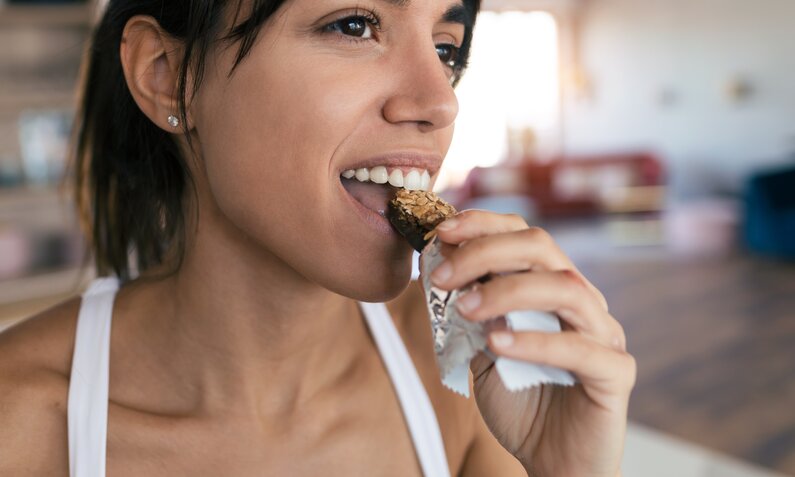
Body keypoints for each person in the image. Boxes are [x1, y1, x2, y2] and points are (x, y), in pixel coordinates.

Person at [0, 0, 636, 475]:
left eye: (446, 49)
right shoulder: (19, 422)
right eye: (354, 25)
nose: (440, 102)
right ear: (170, 75)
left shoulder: (469, 368)